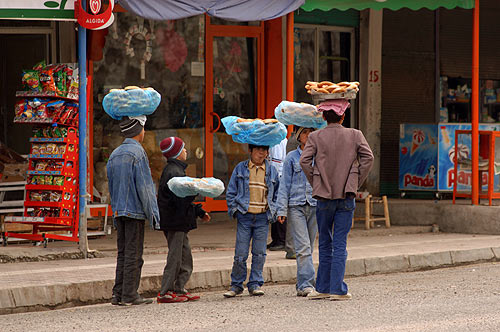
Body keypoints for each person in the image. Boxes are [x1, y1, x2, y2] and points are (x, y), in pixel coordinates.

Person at [300, 100, 374, 300]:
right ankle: (337, 290)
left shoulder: (315, 136)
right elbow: (369, 158)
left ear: (323, 117)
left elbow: (304, 161)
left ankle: (322, 288)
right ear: (343, 117)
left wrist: (316, 180)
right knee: (340, 243)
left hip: (323, 196)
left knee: (324, 241)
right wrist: (355, 179)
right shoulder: (355, 135)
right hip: (346, 195)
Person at [107, 115, 160, 306]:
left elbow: (111, 186)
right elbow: (145, 188)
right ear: (139, 131)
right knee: (134, 254)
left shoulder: (115, 154)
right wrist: (153, 214)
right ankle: (130, 294)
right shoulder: (138, 153)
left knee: (122, 253)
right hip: (135, 211)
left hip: (119, 210)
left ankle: (118, 293)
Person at [156, 137, 211, 304]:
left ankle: (179, 289)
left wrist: (199, 211)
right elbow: (179, 200)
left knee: (185, 256)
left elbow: (182, 200)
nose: (186, 151)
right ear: (177, 153)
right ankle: (166, 291)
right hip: (175, 222)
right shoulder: (174, 173)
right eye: (183, 149)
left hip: (179, 222)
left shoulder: (177, 170)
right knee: (176, 257)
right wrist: (196, 190)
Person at [223, 144, 280, 298]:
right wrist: (234, 210)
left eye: (264, 150)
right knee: (240, 254)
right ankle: (236, 285)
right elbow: (231, 192)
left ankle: (255, 284)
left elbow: (277, 194)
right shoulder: (240, 169)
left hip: (262, 217)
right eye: (258, 150)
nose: (261, 153)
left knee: (259, 253)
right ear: (250, 151)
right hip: (245, 217)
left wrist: (274, 211)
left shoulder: (272, 171)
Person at [276, 127, 318, 297]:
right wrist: (281, 209)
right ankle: (306, 284)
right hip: (296, 206)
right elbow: (284, 184)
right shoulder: (291, 157)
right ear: (298, 136)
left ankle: (303, 283)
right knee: (302, 247)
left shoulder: (320, 156)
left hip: (316, 205)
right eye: (304, 132)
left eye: (311, 132)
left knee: (310, 247)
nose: (308, 136)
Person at [267, 138, 295, 259]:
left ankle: (281, 240)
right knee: (274, 208)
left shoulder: (279, 141)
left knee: (280, 208)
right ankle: (276, 239)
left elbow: (277, 162)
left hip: (278, 177)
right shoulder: (274, 140)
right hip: (274, 176)